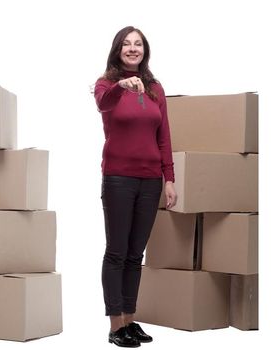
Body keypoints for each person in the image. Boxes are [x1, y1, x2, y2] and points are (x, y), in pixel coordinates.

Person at [93, 26, 177, 348]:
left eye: (137, 44)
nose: (132, 49)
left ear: (145, 50)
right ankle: (116, 326)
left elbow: (164, 136)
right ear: (117, 50)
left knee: (135, 254)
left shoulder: (155, 88)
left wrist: (169, 178)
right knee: (116, 252)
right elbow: (103, 104)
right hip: (118, 178)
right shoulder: (106, 85)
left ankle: (130, 319)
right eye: (126, 44)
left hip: (150, 179)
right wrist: (121, 86)